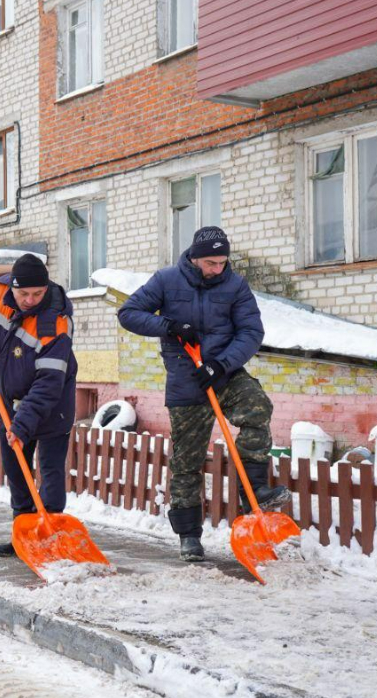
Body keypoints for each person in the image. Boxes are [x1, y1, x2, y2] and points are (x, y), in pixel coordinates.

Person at [117, 227, 290, 561]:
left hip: (224, 373)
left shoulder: (235, 285)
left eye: (223, 262)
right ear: (194, 258)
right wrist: (168, 326)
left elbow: (252, 331)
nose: (218, 269)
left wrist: (220, 365)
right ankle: (189, 535)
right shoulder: (166, 280)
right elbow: (128, 314)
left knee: (257, 407)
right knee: (187, 460)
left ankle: (254, 492)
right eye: (211, 263)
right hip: (186, 380)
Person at [0, 254, 78, 558]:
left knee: (50, 471)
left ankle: (50, 536)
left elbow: (49, 383)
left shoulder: (55, 323)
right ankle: (23, 534)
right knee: (17, 470)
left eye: (37, 294)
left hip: (52, 404)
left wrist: (23, 424)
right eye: (23, 293)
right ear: (11, 287)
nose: (29, 300)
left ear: (46, 287)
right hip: (8, 400)